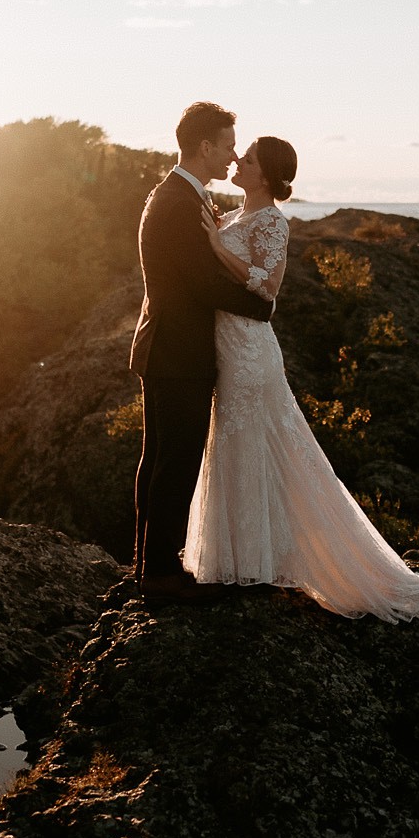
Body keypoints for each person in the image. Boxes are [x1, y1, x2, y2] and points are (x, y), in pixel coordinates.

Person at [184, 135, 419, 622]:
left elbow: (267, 285)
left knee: (251, 443)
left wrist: (218, 247)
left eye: (250, 158)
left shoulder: (271, 223)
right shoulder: (234, 217)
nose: (238, 160)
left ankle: (262, 566)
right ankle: (238, 561)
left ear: (265, 174)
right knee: (232, 444)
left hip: (250, 351)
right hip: (225, 348)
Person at [129, 102, 275, 603]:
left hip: (167, 346)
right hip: (177, 351)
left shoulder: (178, 195)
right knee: (175, 460)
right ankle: (160, 574)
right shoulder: (176, 201)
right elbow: (203, 282)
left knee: (159, 460)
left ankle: (147, 565)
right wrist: (262, 307)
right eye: (230, 146)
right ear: (206, 147)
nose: (234, 155)